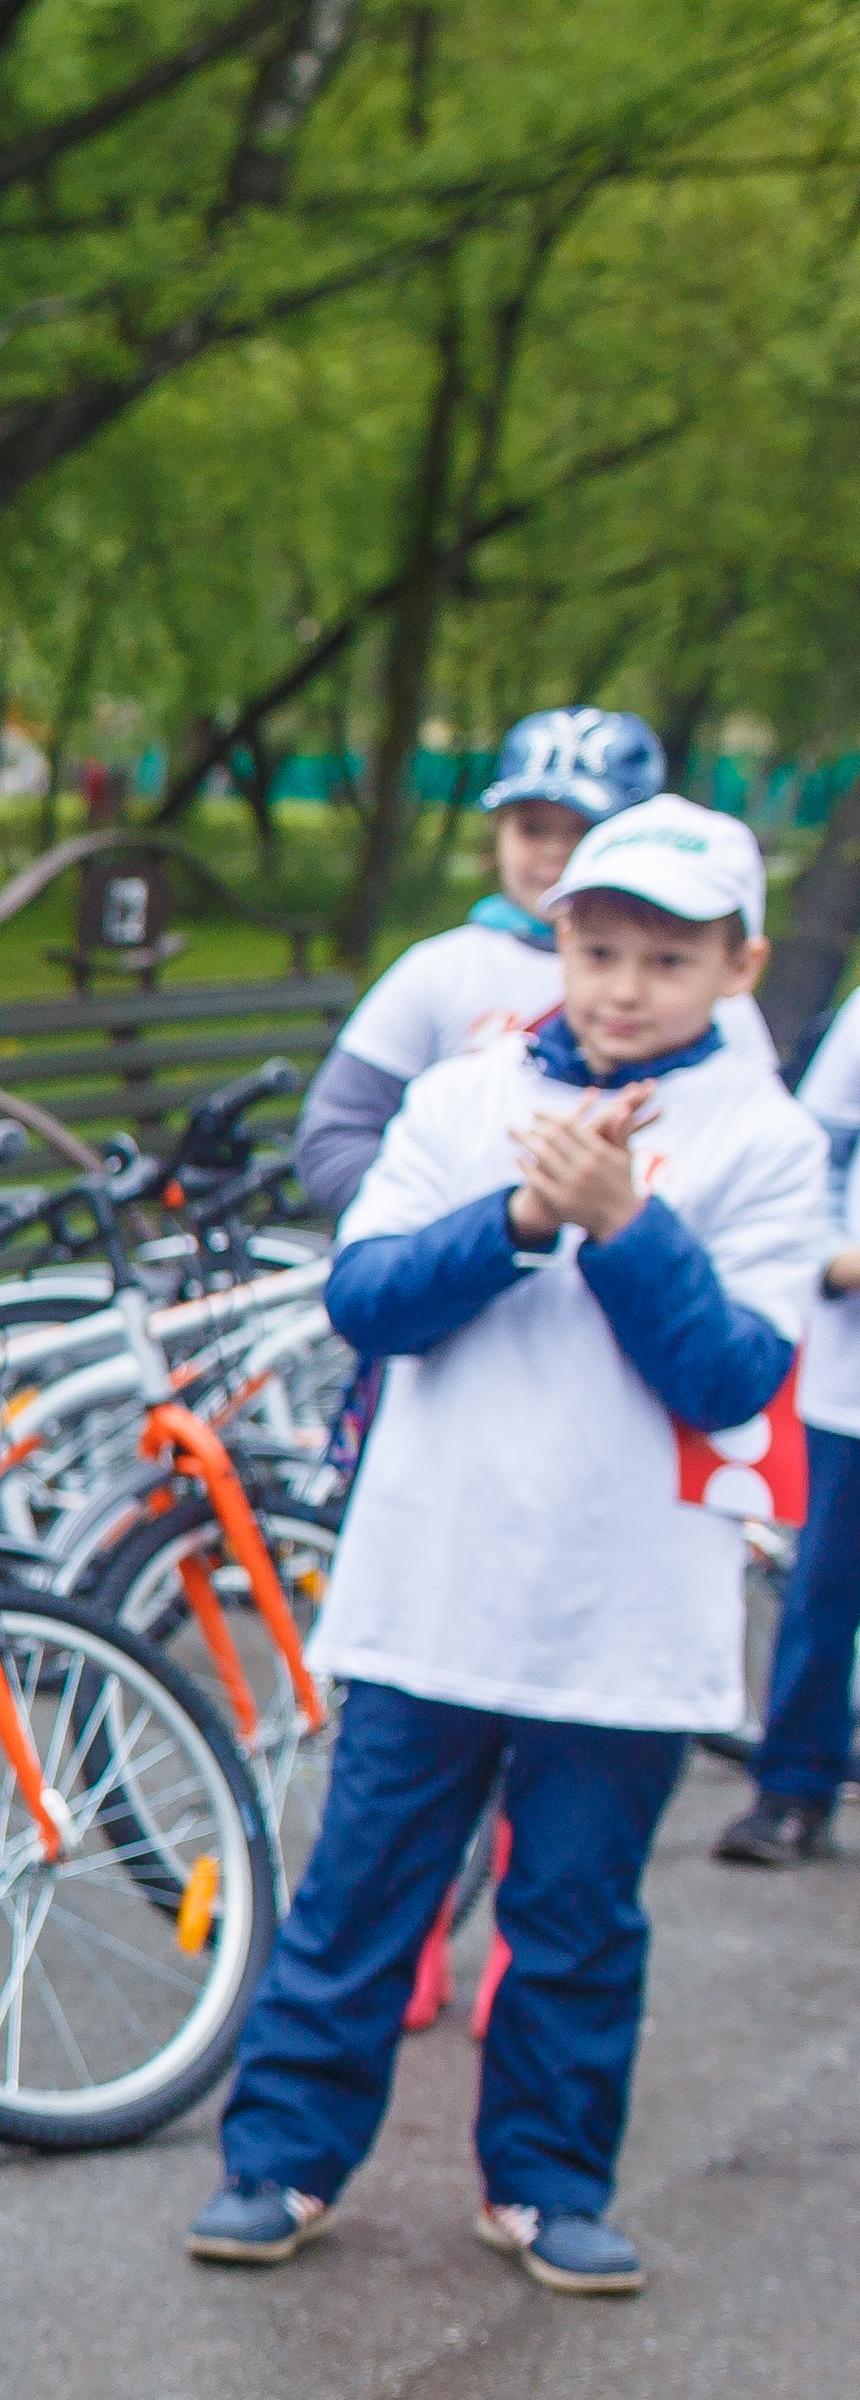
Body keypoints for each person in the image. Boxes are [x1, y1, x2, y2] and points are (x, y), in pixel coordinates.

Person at [186, 801, 823, 2293]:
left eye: (669, 958)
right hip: (435, 1581)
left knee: (580, 1911)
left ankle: (544, 2183)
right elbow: (373, 1297)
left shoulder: (769, 1141)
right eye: (599, 948)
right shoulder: (463, 1099)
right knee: (363, 1886)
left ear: (740, 965)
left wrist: (626, 1226)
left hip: (632, 1605)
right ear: (558, 940)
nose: (623, 985)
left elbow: (737, 1374)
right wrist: (528, 1213)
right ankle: (279, 2161)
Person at [294, 708, 772, 1218]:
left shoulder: (707, 997)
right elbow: (335, 1133)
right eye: (532, 828)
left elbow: (759, 1142)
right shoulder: (440, 970)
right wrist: (447, 1231)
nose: (554, 852)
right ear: (497, 833)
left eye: (584, 829)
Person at [707, 1003, 860, 1866]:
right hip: (852, 1378)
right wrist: (838, 1260)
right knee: (828, 1585)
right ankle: (794, 1789)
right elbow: (816, 1159)